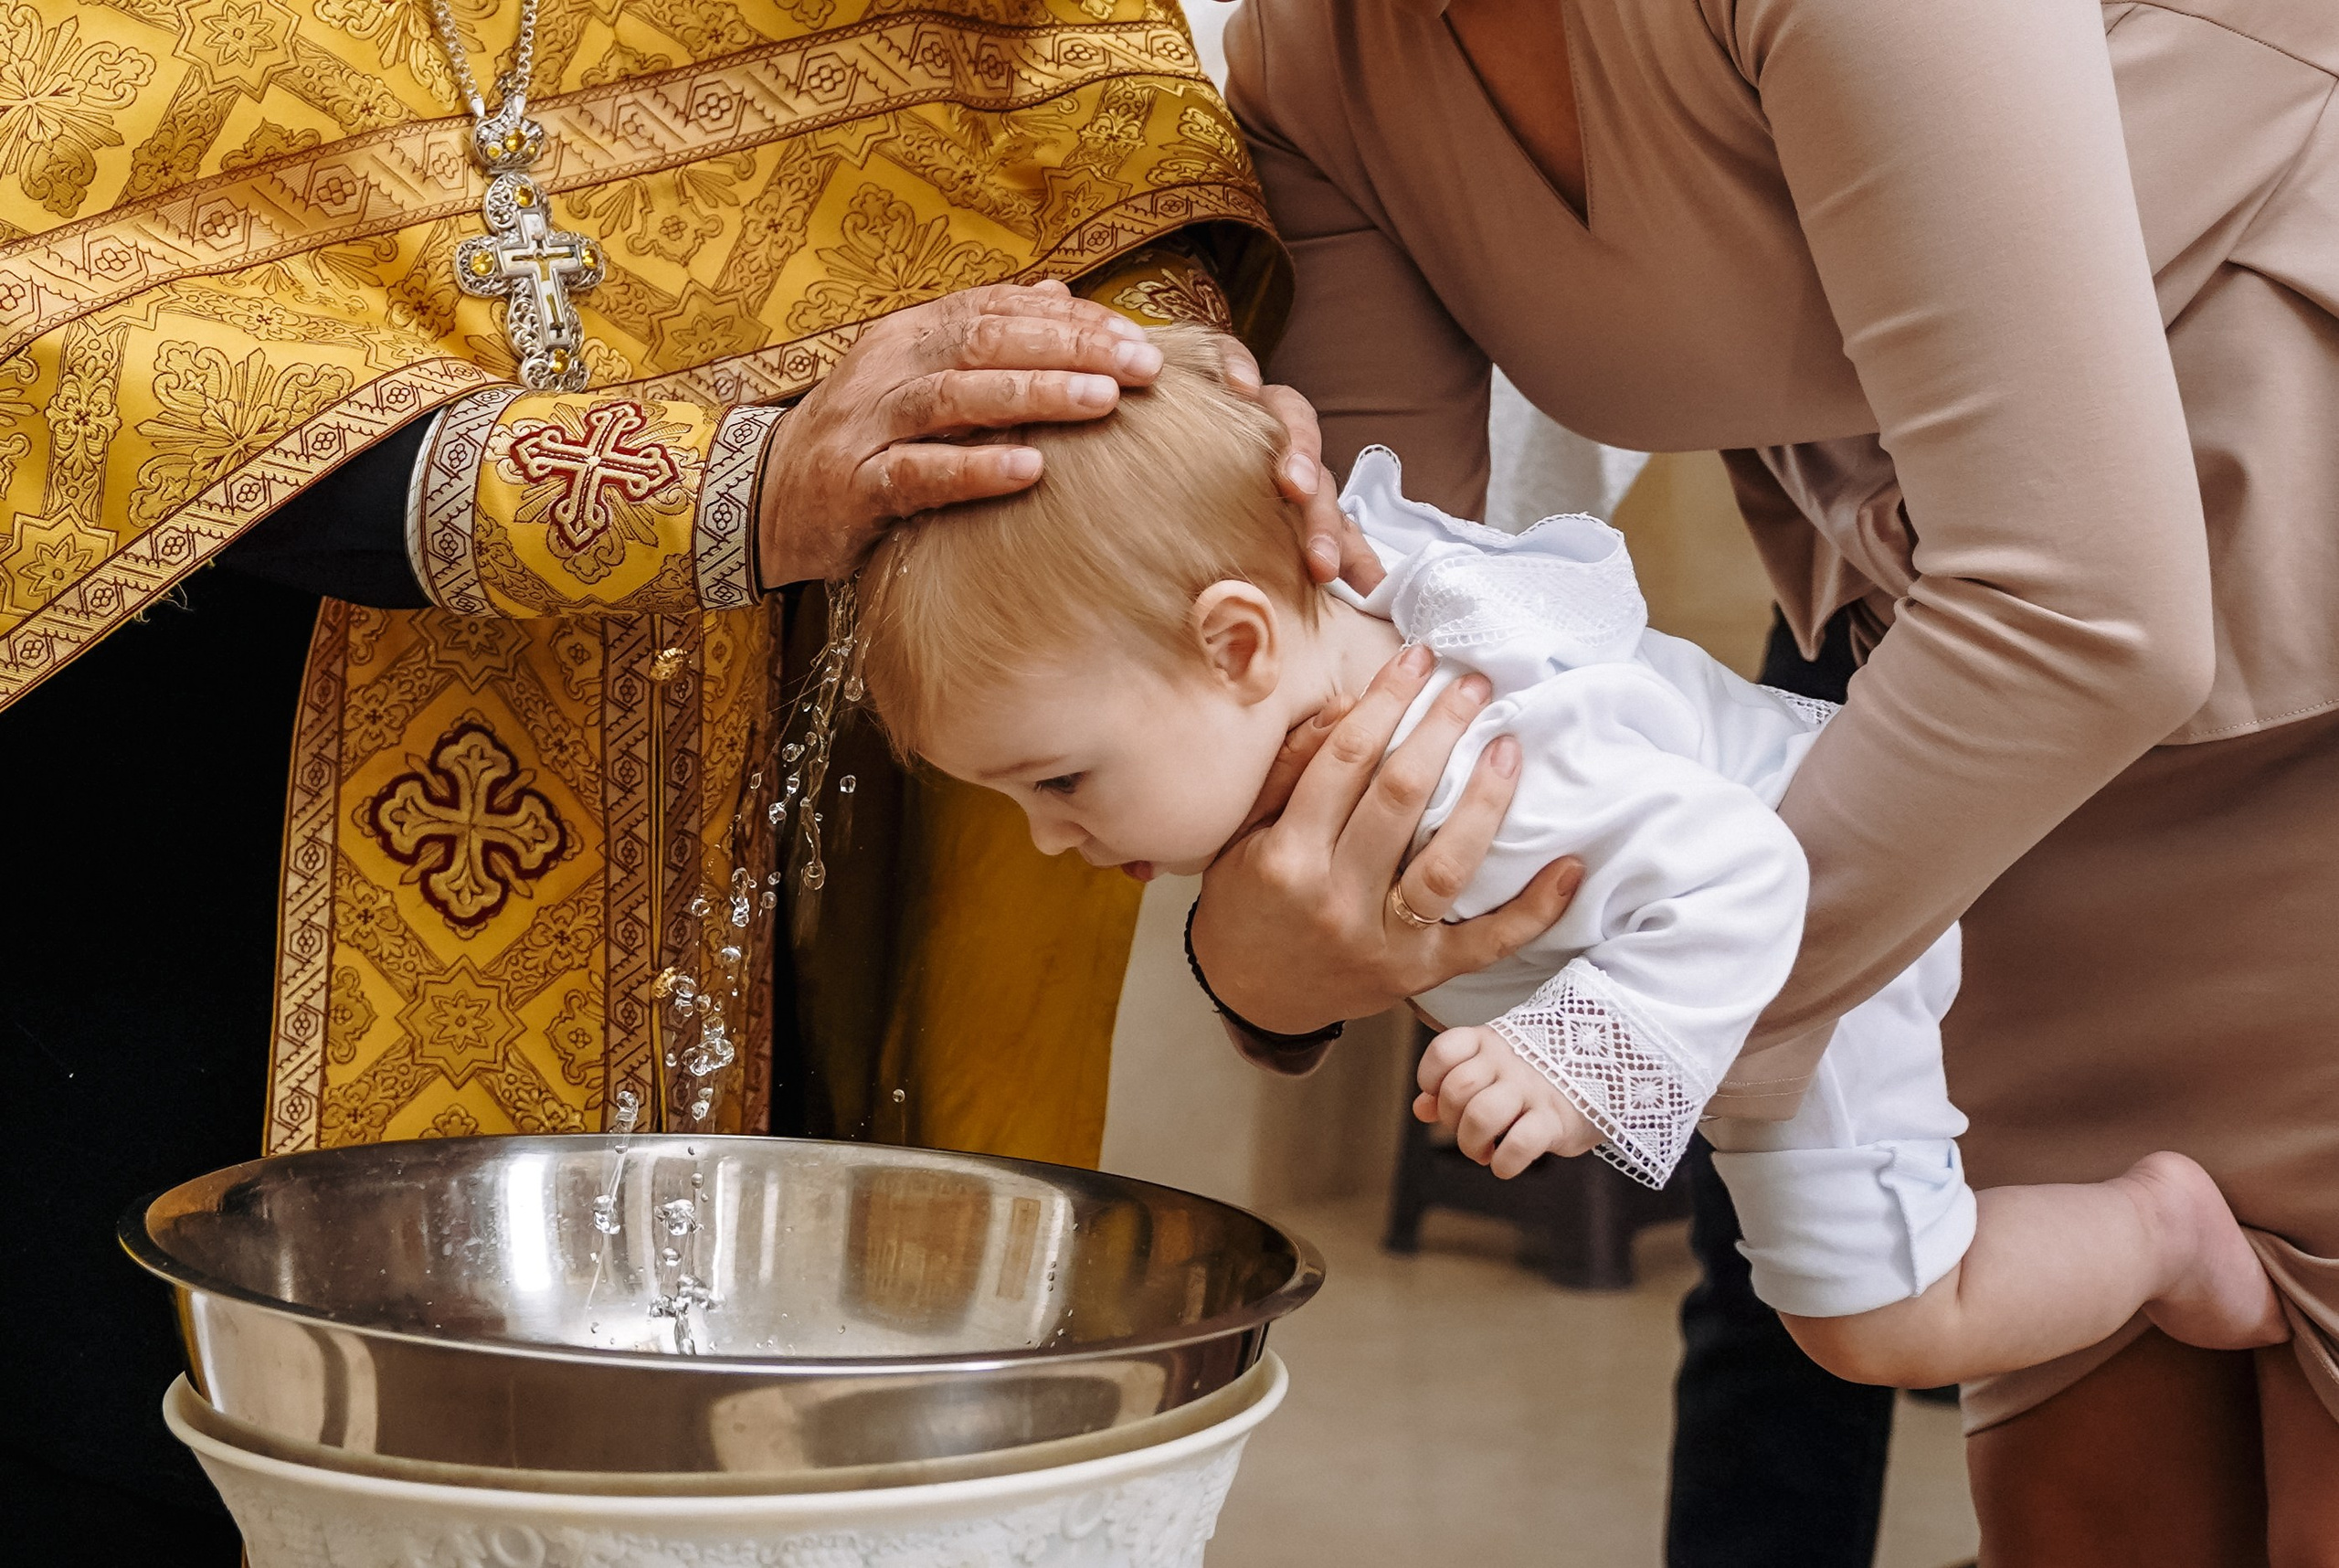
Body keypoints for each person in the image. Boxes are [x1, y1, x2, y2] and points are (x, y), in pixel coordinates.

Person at [0, 2, 1440, 1559]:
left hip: (768, 856)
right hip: (169, 841)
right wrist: (717, 488)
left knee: (741, 1437)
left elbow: (1069, 129)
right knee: (133, 1445)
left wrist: (1134, 378)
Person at [1179, 0, 2339, 1557]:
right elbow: (1388, 674)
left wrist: (1671, 1014)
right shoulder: (1316, 69)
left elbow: (2090, 612)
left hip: (2274, 712)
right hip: (1982, 818)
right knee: (2100, 1517)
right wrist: (1261, 954)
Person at [852, 323, 2285, 1395]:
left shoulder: (1479, 773)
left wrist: (1580, 1059)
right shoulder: (1340, 637)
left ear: (1236, 644)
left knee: (1885, 1327)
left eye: (1059, 780)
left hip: (1824, 918)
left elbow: (1753, 873)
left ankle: (2160, 1234)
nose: (1051, 834)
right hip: (1726, 889)